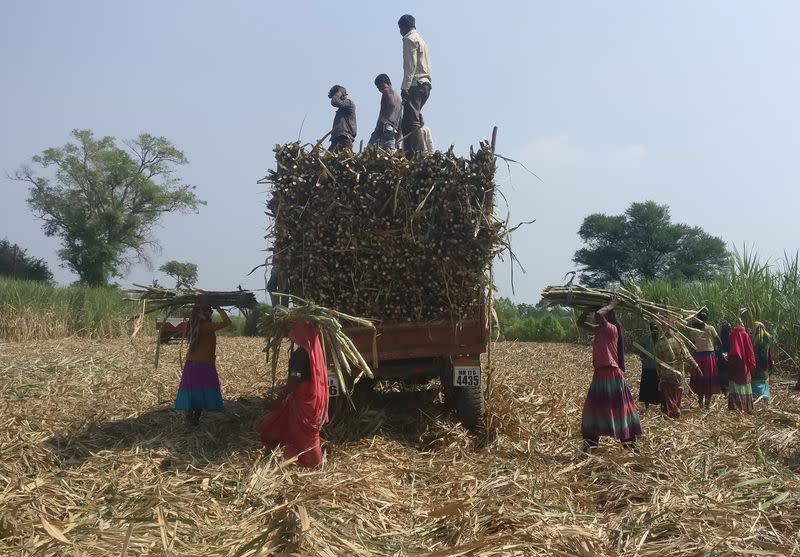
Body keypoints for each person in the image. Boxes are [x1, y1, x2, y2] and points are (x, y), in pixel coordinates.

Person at [576, 295, 643, 451]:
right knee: (593, 410)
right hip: (599, 374)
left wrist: (613, 303)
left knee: (620, 410)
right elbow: (580, 323)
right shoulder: (600, 329)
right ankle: (590, 445)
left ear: (609, 316)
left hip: (611, 374)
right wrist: (586, 310)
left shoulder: (612, 329)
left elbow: (599, 315)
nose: (599, 316)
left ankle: (630, 445)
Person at [259, 321, 329, 468]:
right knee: (307, 433)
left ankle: (314, 464)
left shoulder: (301, 353)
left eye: (293, 329)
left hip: (303, 399)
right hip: (312, 398)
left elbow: (293, 380)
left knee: (305, 434)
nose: (290, 333)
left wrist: (280, 398)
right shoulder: (315, 350)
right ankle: (307, 462)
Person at [175, 304, 231, 425]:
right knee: (202, 391)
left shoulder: (194, 325)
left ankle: (191, 416)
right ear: (205, 315)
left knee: (192, 390)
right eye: (210, 312)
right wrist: (219, 308)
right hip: (204, 364)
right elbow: (227, 322)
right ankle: (195, 418)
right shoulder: (206, 326)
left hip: (191, 364)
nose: (211, 314)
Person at [398, 14, 432, 156]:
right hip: (425, 84)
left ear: (403, 27)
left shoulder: (409, 39)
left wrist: (405, 87)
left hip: (415, 84)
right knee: (412, 120)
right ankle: (415, 153)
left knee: (410, 123)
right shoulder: (421, 40)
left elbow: (410, 65)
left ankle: (415, 156)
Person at [655, 328, 699, 419]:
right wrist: (696, 366)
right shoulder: (679, 341)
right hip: (679, 373)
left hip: (666, 374)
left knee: (668, 395)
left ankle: (673, 411)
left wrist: (659, 373)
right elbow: (687, 356)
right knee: (677, 393)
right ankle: (675, 410)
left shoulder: (659, 344)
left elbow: (658, 362)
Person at [689, 309, 722, 408]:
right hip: (709, 357)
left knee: (700, 379)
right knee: (709, 379)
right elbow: (719, 342)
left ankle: (700, 404)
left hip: (698, 357)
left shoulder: (694, 330)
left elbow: (692, 345)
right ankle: (707, 403)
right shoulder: (710, 328)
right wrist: (716, 350)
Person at [727, 320, 756, 412]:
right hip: (744, 364)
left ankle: (735, 406)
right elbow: (750, 350)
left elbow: (729, 348)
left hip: (733, 362)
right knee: (744, 383)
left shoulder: (732, 335)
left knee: (734, 383)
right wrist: (751, 362)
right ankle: (746, 406)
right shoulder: (745, 335)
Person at [368, 74, 401, 150]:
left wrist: (383, 121)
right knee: (388, 155)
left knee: (369, 153)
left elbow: (391, 105)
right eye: (378, 88)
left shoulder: (387, 91)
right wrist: (398, 137)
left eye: (382, 87)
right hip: (392, 131)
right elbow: (400, 118)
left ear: (389, 84)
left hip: (384, 129)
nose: (380, 90)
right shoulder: (398, 98)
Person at [636, 322, 662, 410]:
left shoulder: (660, 340)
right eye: (653, 329)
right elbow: (641, 354)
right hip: (649, 368)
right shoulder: (647, 340)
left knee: (656, 387)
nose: (655, 331)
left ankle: (657, 405)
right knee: (648, 387)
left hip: (657, 369)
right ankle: (648, 407)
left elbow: (641, 354)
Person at [751, 321, 775, 404]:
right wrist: (768, 367)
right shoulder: (766, 338)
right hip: (762, 369)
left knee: (755, 386)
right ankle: (765, 402)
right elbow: (766, 355)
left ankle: (755, 401)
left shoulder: (754, 339)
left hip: (755, 369)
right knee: (763, 384)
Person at [328, 85, 357, 152]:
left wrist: (339, 92)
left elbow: (335, 102)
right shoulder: (341, 110)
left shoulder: (349, 104)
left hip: (345, 138)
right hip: (337, 140)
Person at [716, 321, 732, 393]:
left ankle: (723, 387)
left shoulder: (721, 337)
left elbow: (719, 347)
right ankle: (725, 387)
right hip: (728, 359)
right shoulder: (731, 338)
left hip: (722, 358)